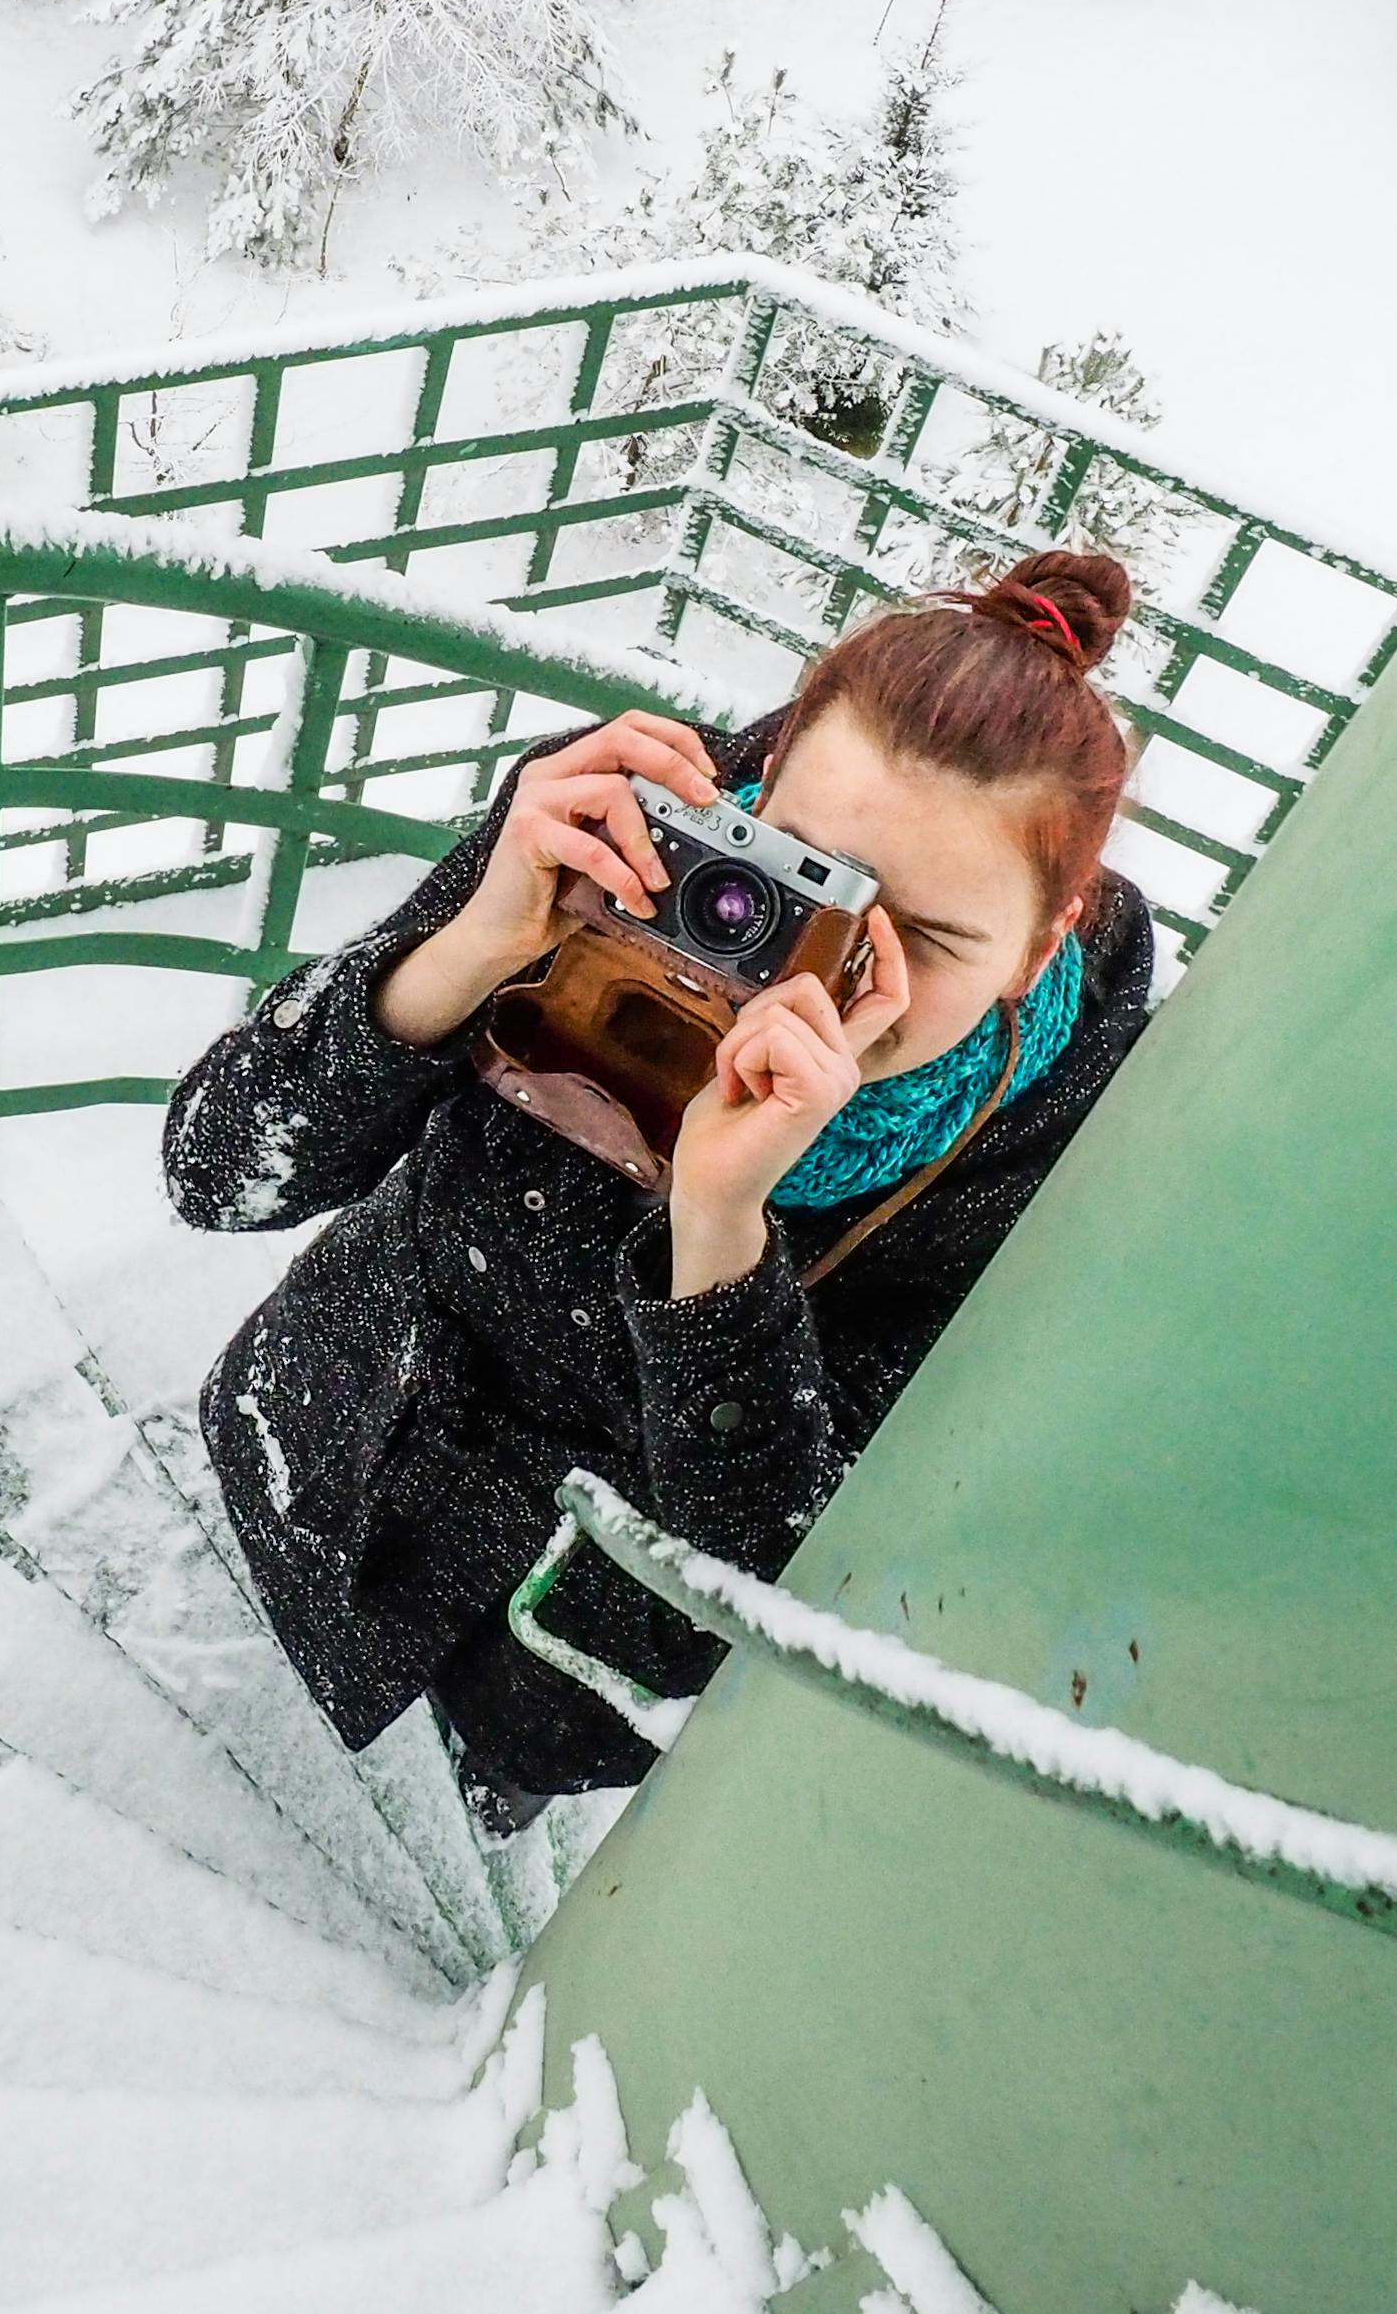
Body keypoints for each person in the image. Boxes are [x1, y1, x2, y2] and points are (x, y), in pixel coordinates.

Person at [162, 550, 1163, 1831]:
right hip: (333, 1413)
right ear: (760, 777)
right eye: (796, 874)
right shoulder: (611, 837)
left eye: (928, 935)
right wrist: (478, 945)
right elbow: (216, 1171)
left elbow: (777, 1562)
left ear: (1047, 933)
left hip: (547, 1633)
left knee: (475, 1778)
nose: (831, 976)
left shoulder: (1048, 1127)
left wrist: (721, 1225)